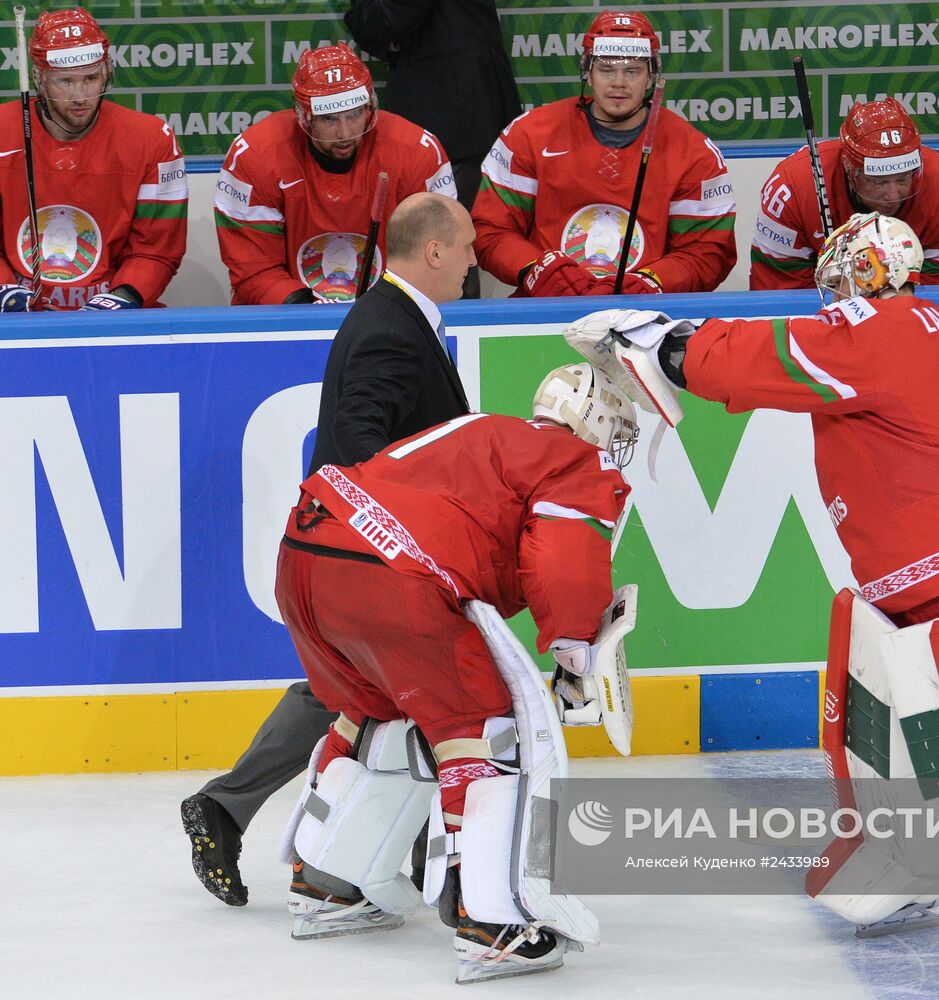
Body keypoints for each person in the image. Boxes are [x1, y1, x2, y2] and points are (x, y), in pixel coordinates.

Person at [566, 214, 939, 980]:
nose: (830, 296)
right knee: (926, 730)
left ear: (860, 274)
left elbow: (767, 358)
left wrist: (664, 341)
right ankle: (922, 864)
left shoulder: (881, 324)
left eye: (836, 278)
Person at [274, 364, 636, 980]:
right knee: (490, 736)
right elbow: (565, 564)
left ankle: (330, 883)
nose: (615, 444)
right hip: (395, 580)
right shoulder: (573, 460)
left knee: (374, 716)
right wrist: (576, 647)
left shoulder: (480, 426)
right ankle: (492, 921)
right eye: (616, 428)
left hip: (306, 553)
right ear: (596, 419)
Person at [181, 191, 477, 907]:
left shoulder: (398, 319)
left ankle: (235, 812)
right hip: (372, 558)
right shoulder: (390, 331)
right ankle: (413, 862)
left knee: (358, 696)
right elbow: (360, 443)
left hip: (368, 551)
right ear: (433, 250)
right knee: (399, 695)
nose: (475, 259)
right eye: (466, 245)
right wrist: (404, 541)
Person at [472, 9, 736, 297]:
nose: (618, 82)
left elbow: (707, 251)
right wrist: (536, 268)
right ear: (587, 70)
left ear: (652, 76)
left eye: (632, 71)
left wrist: (655, 281)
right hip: (547, 306)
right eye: (606, 69)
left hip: (650, 317)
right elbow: (491, 229)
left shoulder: (694, 152)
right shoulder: (529, 134)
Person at [214, 42, 456, 306]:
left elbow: (437, 256)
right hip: (289, 315)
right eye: (329, 119)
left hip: (389, 312)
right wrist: (303, 310)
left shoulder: (416, 152)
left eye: (354, 114)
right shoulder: (255, 156)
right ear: (303, 117)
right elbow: (253, 267)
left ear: (370, 109)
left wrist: (386, 313)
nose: (345, 133)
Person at [0, 7, 187, 312]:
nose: (80, 96)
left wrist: (125, 295)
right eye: (65, 81)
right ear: (39, 79)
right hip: (15, 317)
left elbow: (156, 249)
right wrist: (2, 290)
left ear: (106, 73)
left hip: (113, 315)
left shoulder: (152, 138)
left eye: (90, 78)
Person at [344, 0, 521, 298]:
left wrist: (383, 28)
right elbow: (369, 25)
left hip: (459, 109)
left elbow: (382, 21)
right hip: (444, 102)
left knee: (448, 247)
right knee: (430, 248)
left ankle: (449, 341)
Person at [750, 98, 939, 290]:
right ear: (850, 169)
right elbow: (778, 291)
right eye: (877, 182)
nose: (892, 195)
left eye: (902, 179)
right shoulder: (793, 187)